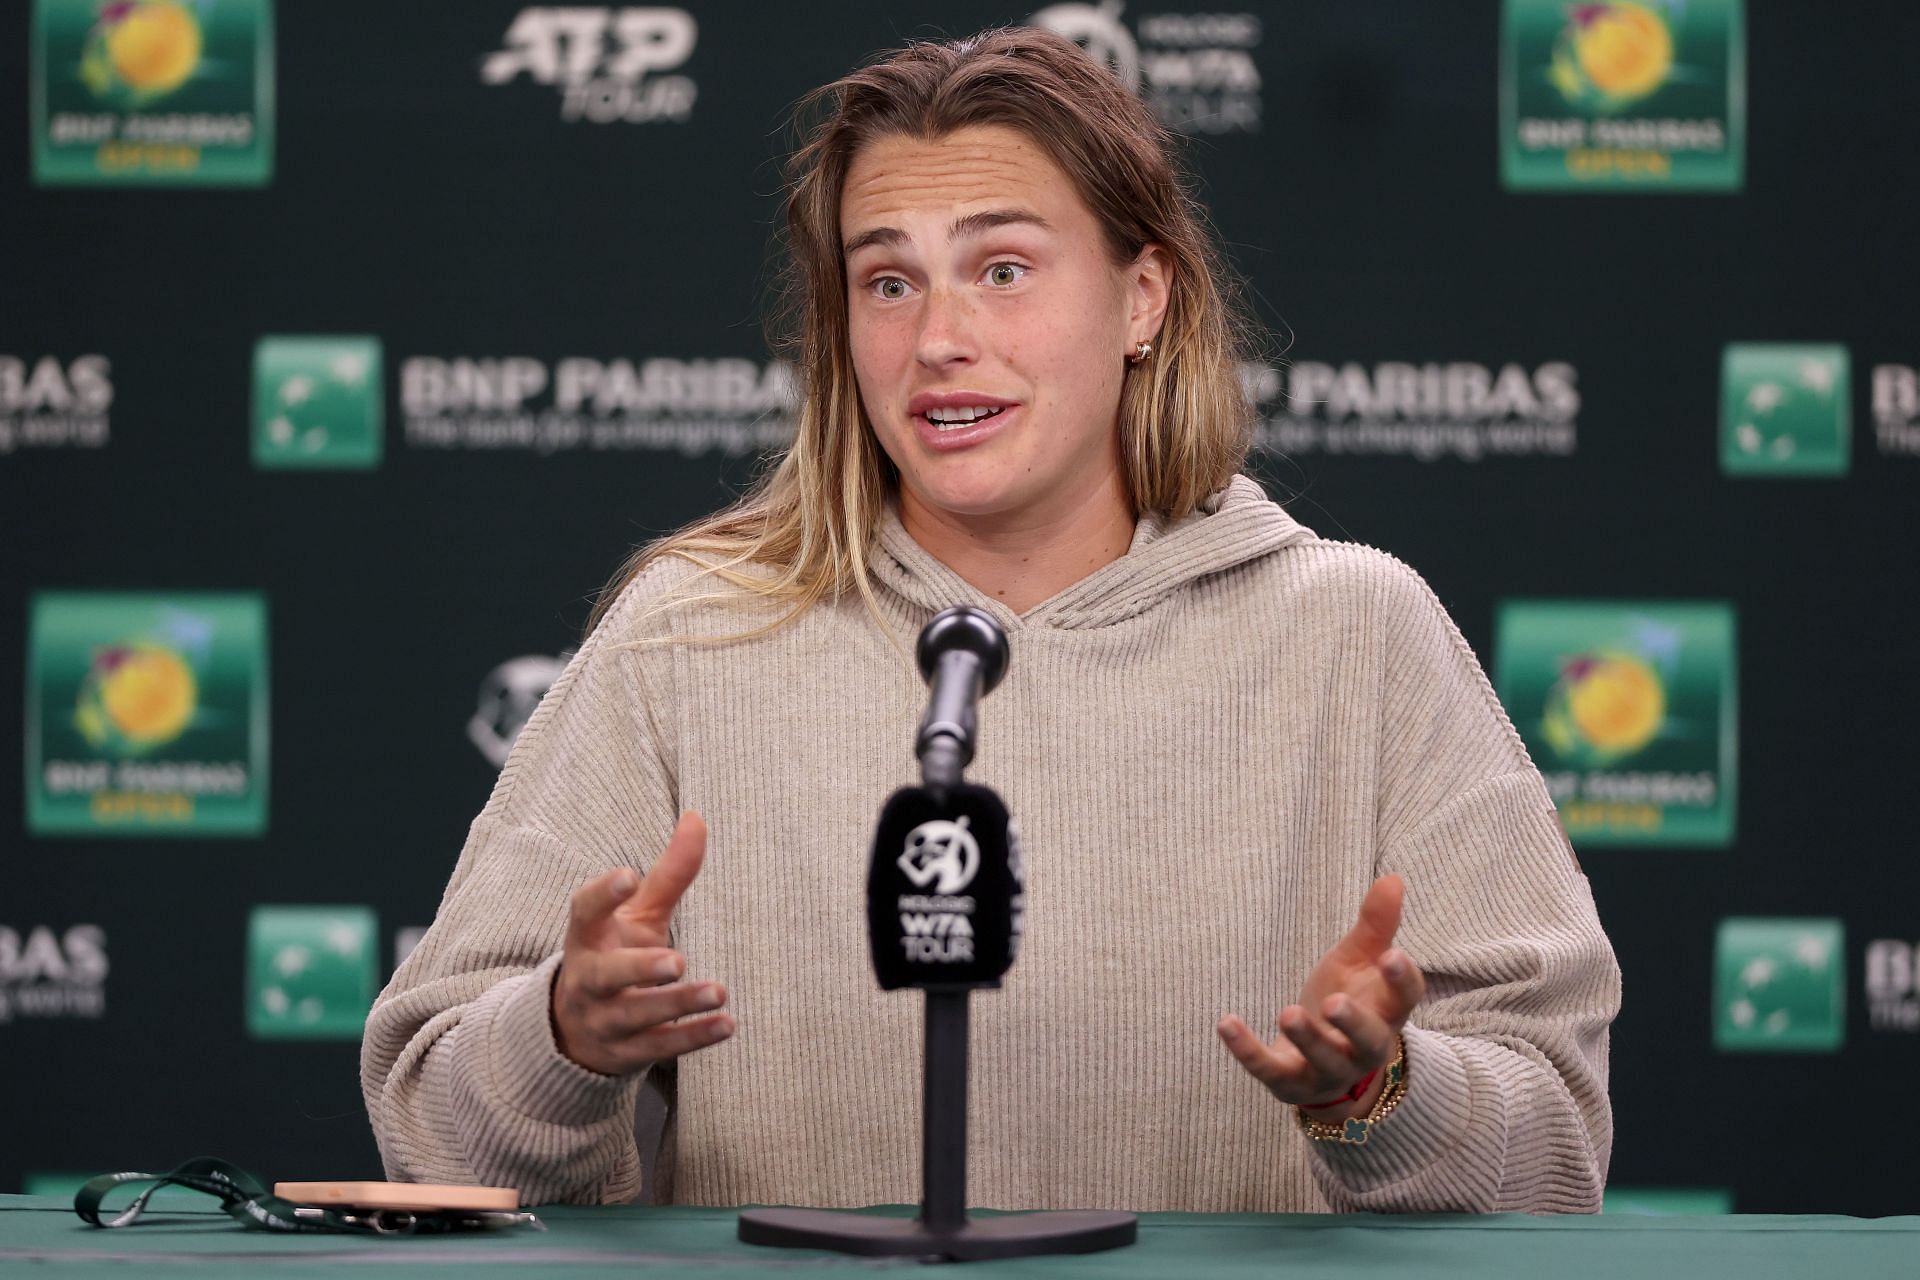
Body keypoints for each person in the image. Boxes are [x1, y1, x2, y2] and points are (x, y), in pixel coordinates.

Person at [361, 28, 1619, 1215]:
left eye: (1003, 269)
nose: (940, 340)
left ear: (1143, 300)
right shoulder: (689, 637)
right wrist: (564, 1039)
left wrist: (1378, 1093)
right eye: (889, 280)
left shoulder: (1361, 632)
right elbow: (432, 1121)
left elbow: (1557, 1148)